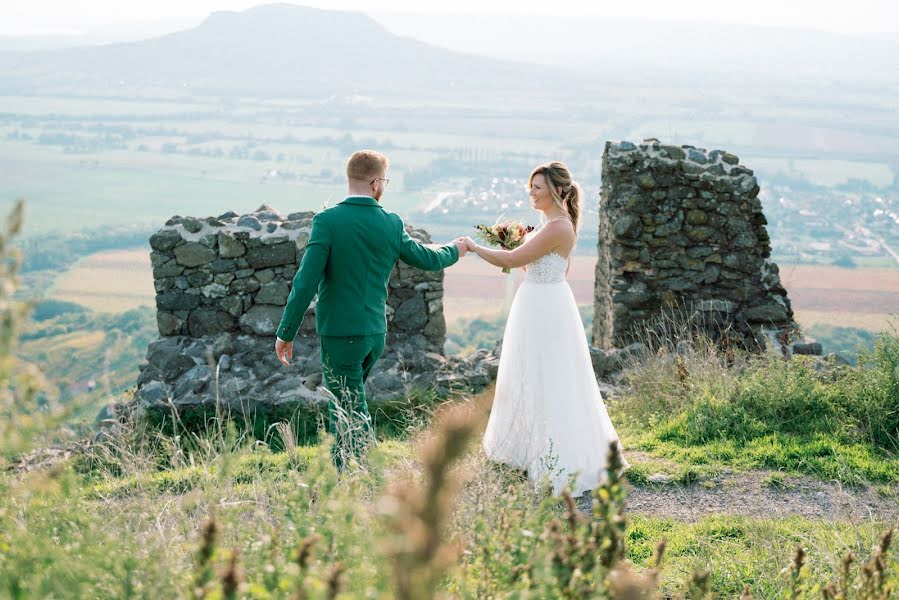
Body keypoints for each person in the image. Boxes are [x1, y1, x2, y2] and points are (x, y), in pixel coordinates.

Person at [275, 149, 467, 469]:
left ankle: (370, 472)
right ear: (376, 182)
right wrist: (456, 249)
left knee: (349, 405)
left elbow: (305, 282)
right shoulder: (391, 223)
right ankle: (342, 469)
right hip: (375, 333)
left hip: (340, 333)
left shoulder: (327, 221)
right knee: (346, 402)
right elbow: (428, 259)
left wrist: (286, 331)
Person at [464, 161, 627, 496]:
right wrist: (513, 243)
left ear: (557, 191)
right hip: (538, 302)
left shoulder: (557, 227)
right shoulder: (549, 224)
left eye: (537, 187)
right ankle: (527, 448)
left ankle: (558, 458)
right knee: (530, 373)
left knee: (549, 377)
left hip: (546, 308)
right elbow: (527, 262)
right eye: (531, 186)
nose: (531, 193)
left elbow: (512, 262)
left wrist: (475, 247)